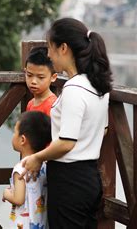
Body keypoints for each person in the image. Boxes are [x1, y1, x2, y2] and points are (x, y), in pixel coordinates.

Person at [22, 18, 113, 229]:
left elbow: (66, 142)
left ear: (63, 48)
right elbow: (104, 129)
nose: (49, 55)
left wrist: (37, 157)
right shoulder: (97, 83)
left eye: (51, 49)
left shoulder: (74, 88)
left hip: (69, 179)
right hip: (90, 176)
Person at [2, 111, 51, 229]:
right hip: (41, 223)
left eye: (15, 132)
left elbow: (18, 199)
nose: (13, 135)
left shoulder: (20, 169)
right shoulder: (44, 165)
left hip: (23, 224)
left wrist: (6, 193)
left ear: (22, 140)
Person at [25, 46, 58, 115]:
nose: (33, 81)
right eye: (29, 75)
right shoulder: (30, 103)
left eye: (40, 77)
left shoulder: (52, 106)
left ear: (53, 77)